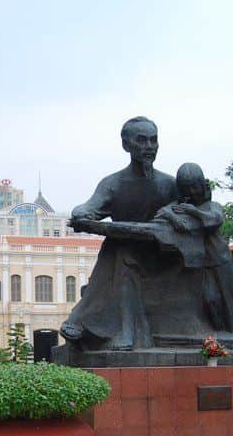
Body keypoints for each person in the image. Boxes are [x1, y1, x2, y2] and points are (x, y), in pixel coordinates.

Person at [60, 117, 178, 350]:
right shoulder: (113, 183)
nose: (149, 147)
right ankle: (116, 329)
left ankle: (94, 323)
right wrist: (81, 212)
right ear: (126, 145)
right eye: (142, 140)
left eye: (154, 140)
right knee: (121, 250)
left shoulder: (169, 185)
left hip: (163, 256)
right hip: (124, 255)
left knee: (122, 252)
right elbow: (89, 209)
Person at [151, 163, 233, 334]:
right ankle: (219, 331)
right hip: (199, 261)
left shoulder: (212, 206)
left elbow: (215, 220)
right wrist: (173, 218)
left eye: (195, 187)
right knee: (211, 298)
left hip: (220, 258)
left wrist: (193, 212)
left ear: (202, 185)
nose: (192, 192)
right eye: (187, 189)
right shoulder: (180, 207)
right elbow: (160, 214)